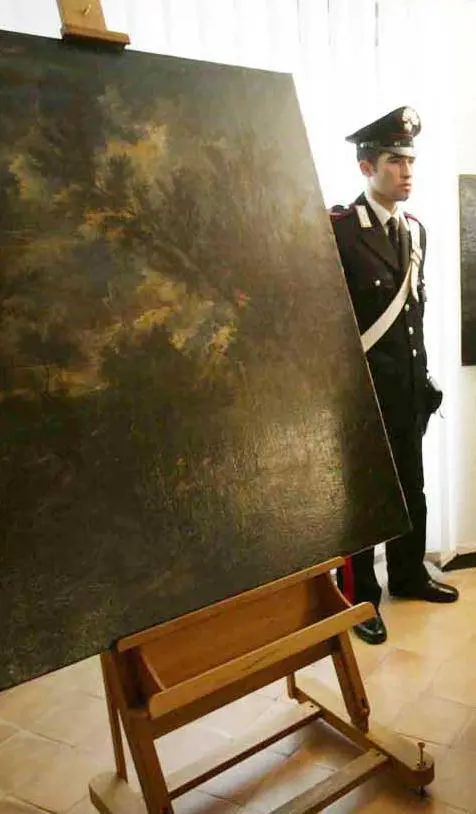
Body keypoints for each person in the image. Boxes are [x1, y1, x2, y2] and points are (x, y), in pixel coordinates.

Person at [330, 106, 458, 646]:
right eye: (393, 161)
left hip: (406, 390)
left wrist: (422, 381)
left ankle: (407, 574)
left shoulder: (416, 232)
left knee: (411, 486)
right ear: (366, 167)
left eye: (410, 161)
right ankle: (359, 599)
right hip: (361, 395)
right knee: (363, 501)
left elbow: (413, 318)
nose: (406, 172)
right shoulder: (339, 231)